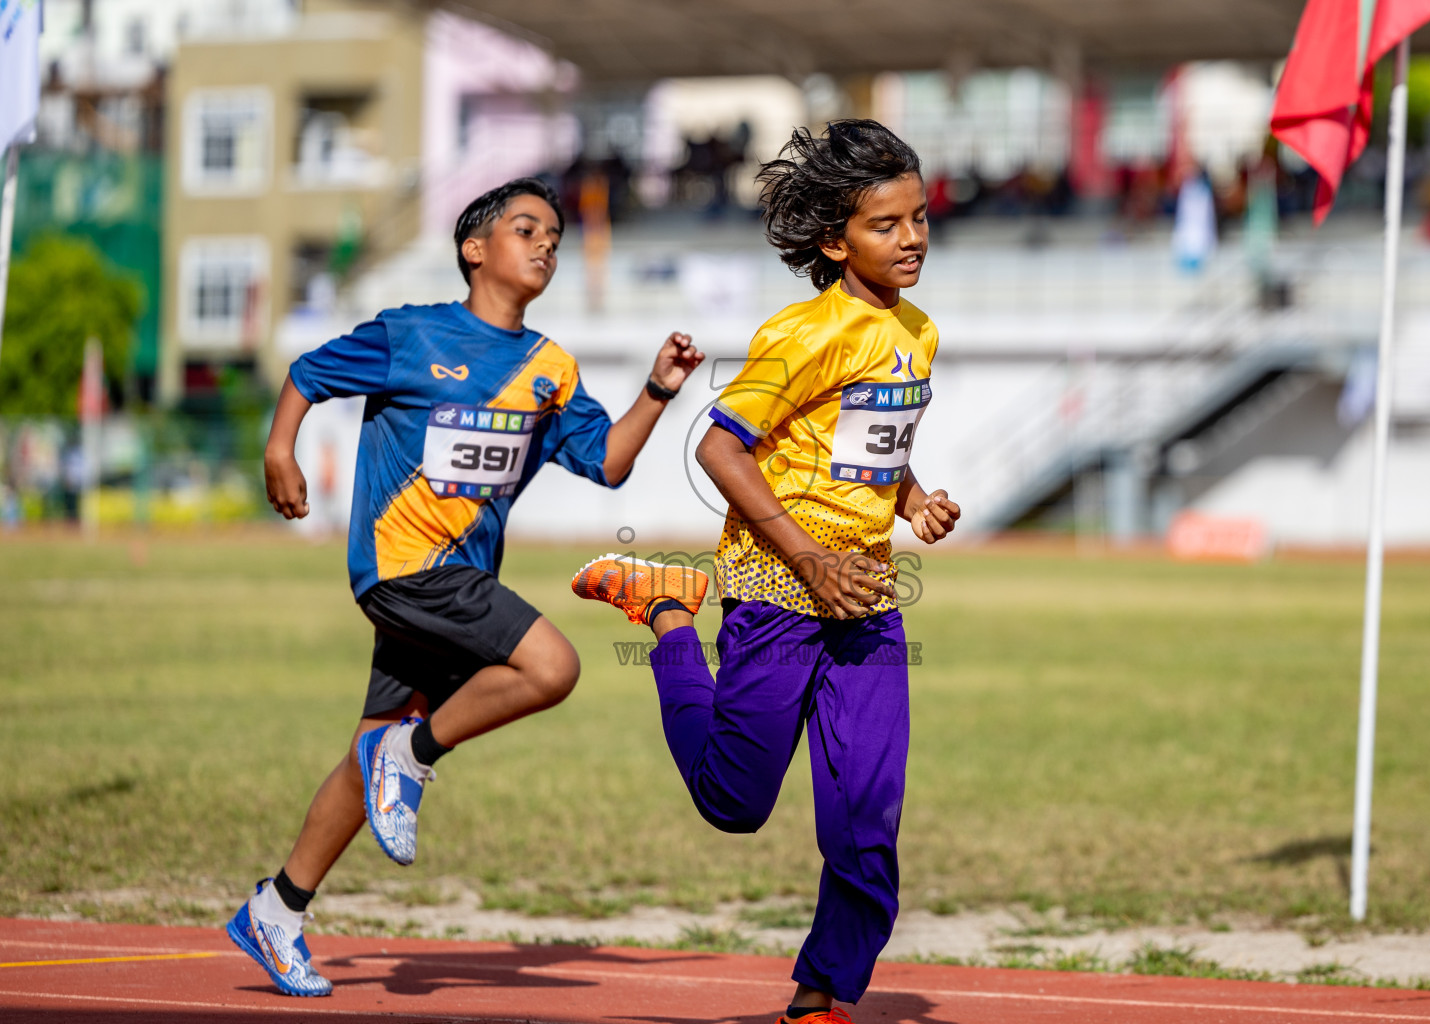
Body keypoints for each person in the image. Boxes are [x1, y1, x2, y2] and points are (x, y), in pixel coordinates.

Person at [226, 177, 703, 997]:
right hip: (403, 567)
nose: (547, 243)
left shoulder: (549, 369)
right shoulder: (410, 335)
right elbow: (308, 372)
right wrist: (280, 450)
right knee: (552, 667)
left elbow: (610, 463)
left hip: (458, 581)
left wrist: (658, 390)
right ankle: (411, 755)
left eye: (554, 234)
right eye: (528, 229)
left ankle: (277, 907)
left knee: (365, 749)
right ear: (474, 249)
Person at [572, 120, 961, 1024]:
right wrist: (808, 556)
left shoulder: (919, 332)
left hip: (864, 600)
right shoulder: (802, 333)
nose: (912, 238)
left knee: (868, 811)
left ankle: (821, 994)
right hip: (779, 594)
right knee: (734, 803)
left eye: (920, 217)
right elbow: (718, 447)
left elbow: (858, 449)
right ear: (835, 240)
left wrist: (911, 501)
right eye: (886, 224)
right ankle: (667, 612)